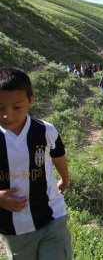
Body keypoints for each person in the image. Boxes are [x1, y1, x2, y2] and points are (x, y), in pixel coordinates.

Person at [0, 67, 72, 259]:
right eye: (0, 108)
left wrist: (65, 179)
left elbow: (58, 156)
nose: (7, 115)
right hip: (14, 228)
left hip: (52, 217)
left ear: (31, 100)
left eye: (16, 107)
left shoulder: (45, 131)